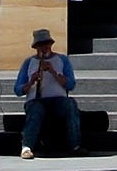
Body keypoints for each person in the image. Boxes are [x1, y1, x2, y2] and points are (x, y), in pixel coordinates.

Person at [13, 28, 80, 158]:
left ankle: (75, 146)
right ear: (36, 47)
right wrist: (31, 81)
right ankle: (26, 147)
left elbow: (71, 85)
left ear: (50, 44)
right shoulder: (29, 62)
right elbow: (18, 90)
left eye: (46, 44)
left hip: (57, 100)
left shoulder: (62, 60)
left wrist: (53, 72)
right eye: (40, 45)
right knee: (36, 110)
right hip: (35, 100)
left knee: (70, 105)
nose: (44, 47)